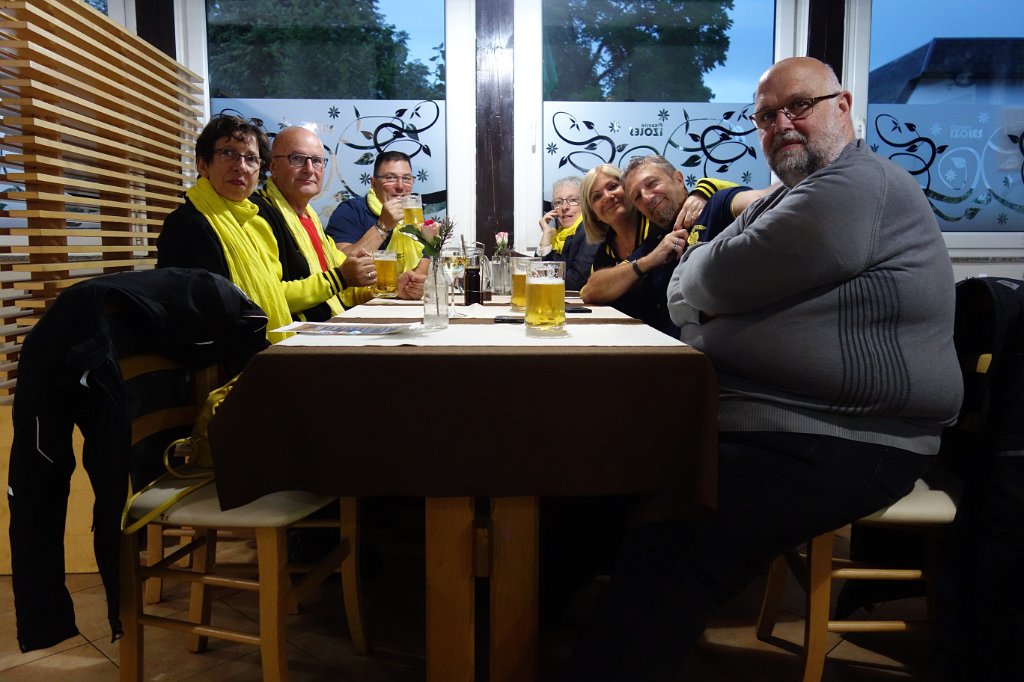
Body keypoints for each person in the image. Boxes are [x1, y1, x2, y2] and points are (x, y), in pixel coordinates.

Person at [569, 57, 964, 681]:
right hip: (780, 421)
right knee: (600, 480)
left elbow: (705, 280)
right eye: (766, 116)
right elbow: (694, 282)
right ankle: (523, 633)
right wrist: (702, 285)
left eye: (799, 106)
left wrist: (702, 288)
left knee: (674, 546)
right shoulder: (791, 197)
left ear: (843, 106)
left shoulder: (856, 186)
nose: (782, 124)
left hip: (852, 438)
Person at [251, 125, 425, 320]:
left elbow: (345, 286)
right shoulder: (257, 213)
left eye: (317, 161)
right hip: (296, 334)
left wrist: (392, 287)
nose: (309, 169)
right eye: (297, 159)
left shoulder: (309, 216)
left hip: (331, 323)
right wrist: (383, 226)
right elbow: (267, 296)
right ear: (273, 167)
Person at [577, 163, 691, 336]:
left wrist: (701, 192)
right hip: (627, 338)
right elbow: (589, 291)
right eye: (596, 197)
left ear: (629, 192)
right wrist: (645, 262)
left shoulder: (660, 224)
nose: (607, 196)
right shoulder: (605, 252)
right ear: (594, 214)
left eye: (613, 187)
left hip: (675, 338)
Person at [325, 150, 429, 277]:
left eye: (406, 178)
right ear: (373, 184)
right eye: (390, 178)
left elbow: (424, 259)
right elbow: (340, 265)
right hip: (364, 290)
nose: (400, 186)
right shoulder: (350, 210)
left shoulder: (412, 214)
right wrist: (383, 225)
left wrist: (411, 282)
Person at [537, 175, 599, 292]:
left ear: (585, 203)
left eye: (573, 200)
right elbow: (536, 273)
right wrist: (546, 234)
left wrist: (542, 276)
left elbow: (575, 281)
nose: (565, 207)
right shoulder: (557, 236)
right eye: (558, 202)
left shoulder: (590, 231)